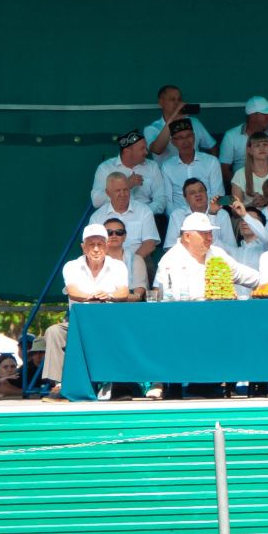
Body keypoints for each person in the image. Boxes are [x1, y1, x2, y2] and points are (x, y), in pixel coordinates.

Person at [41, 223, 130, 398]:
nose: (96, 249)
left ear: (106, 246)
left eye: (100, 244)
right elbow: (72, 291)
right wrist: (91, 296)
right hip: (78, 323)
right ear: (83, 247)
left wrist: (109, 295)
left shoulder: (118, 266)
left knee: (123, 333)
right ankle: (60, 385)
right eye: (91, 244)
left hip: (108, 323)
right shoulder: (72, 266)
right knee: (54, 332)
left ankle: (119, 384)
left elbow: (123, 292)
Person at [154, 211, 263, 300]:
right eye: (204, 234)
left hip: (219, 313)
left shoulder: (217, 253)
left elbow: (244, 275)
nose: (210, 238)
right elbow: (162, 294)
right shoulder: (170, 260)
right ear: (187, 236)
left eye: (210, 233)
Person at [158, 118, 224, 219]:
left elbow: (218, 194)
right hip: (180, 217)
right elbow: (168, 200)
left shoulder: (211, 162)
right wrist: (176, 219)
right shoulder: (168, 166)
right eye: (180, 138)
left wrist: (209, 215)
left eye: (189, 136)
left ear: (194, 137)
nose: (185, 142)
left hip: (210, 215)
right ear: (173, 142)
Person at [91, 129, 169, 214]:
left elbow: (161, 198)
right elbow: (96, 201)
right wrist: (126, 184)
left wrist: (143, 213)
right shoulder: (105, 168)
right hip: (114, 218)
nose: (146, 152)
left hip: (146, 216)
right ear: (127, 151)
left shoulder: (152, 166)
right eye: (142, 149)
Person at [217, 96, 268, 186]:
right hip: (241, 184)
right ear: (253, 116)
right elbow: (224, 169)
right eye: (265, 114)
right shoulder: (231, 136)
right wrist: (240, 188)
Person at [166, 178, 241, 255]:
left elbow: (232, 247)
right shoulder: (176, 216)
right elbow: (170, 247)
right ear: (185, 198)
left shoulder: (222, 215)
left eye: (201, 191)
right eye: (192, 193)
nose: (198, 194)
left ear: (206, 193)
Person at [144, 83, 216, 158]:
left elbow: (212, 146)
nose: (177, 103)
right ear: (161, 102)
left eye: (179, 99)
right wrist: (173, 118)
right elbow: (157, 150)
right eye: (172, 99)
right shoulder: (151, 128)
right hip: (167, 169)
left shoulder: (194, 122)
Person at [228, 130, 268, 210]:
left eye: (265, 144)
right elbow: (235, 210)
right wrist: (252, 204)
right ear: (250, 150)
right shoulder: (239, 174)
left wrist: (267, 201)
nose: (262, 148)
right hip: (249, 218)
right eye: (257, 145)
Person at [102, 217, 149, 292]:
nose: (114, 236)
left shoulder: (136, 259)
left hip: (128, 302)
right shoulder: (95, 260)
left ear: (124, 236)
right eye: (109, 232)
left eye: (119, 232)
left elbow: (139, 291)